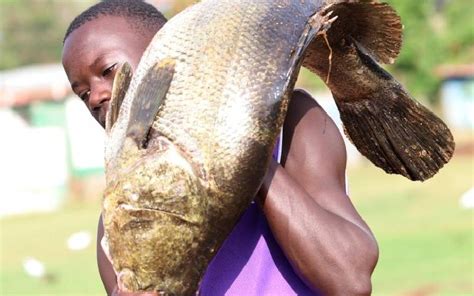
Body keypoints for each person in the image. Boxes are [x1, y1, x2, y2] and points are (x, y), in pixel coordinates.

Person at [62, 0, 378, 295]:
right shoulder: (122, 221)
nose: (96, 96)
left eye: (107, 71)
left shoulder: (290, 124)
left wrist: (242, 150)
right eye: (82, 92)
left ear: (172, 51)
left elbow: (349, 278)